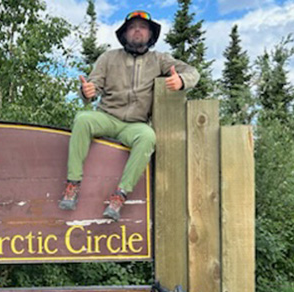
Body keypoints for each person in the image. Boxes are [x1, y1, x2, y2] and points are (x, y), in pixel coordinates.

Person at [59, 10, 199, 221]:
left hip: (135, 124)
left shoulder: (159, 59)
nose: (137, 31)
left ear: (150, 34)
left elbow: (193, 71)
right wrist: (86, 92)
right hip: (107, 117)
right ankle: (73, 184)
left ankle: (120, 195)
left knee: (148, 136)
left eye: (142, 27)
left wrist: (182, 80)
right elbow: (92, 86)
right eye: (132, 27)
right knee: (82, 119)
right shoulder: (108, 58)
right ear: (124, 34)